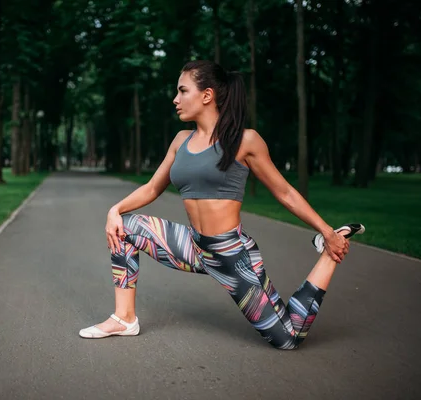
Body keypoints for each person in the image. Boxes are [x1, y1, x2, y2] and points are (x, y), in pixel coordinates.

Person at [79, 60, 365, 349]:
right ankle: (125, 318)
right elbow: (153, 187)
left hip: (233, 257)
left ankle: (330, 253)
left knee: (288, 339)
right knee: (123, 227)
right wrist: (115, 210)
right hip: (193, 247)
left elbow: (285, 193)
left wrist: (326, 232)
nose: (175, 99)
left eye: (182, 91)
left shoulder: (245, 140)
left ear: (207, 95)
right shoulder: (181, 141)